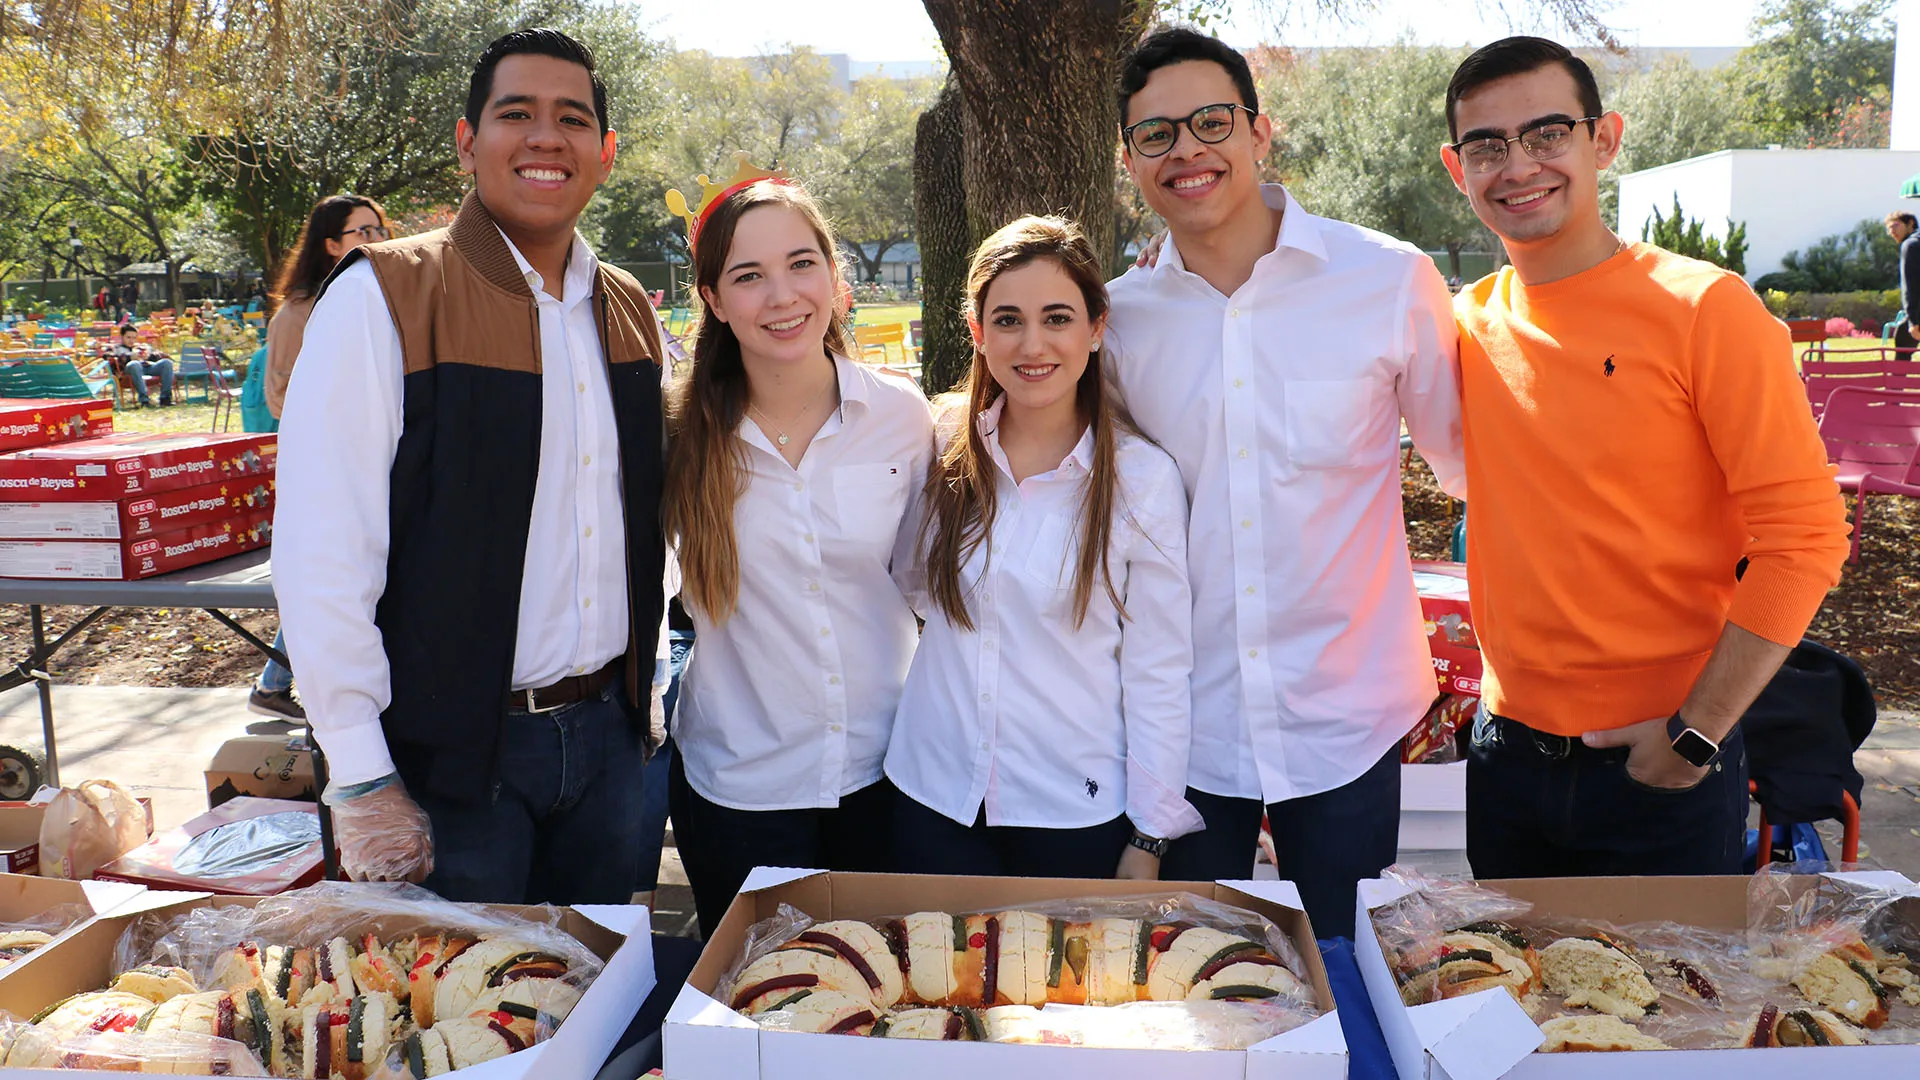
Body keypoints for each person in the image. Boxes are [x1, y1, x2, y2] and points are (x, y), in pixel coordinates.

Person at [274, 28, 669, 904]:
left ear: (603, 153)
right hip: (449, 762)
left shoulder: (629, 311)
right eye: (515, 113)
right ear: (467, 141)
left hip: (612, 749)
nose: (544, 136)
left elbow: (648, 522)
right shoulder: (384, 296)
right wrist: (362, 773)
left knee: (605, 1012)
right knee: (468, 1028)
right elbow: (321, 549)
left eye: (572, 118)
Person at [1440, 37, 1850, 878]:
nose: (1517, 165)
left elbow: (1805, 542)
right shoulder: (1462, 321)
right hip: (1504, 758)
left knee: (1670, 1012)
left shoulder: (1706, 309)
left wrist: (1693, 735)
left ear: (1606, 139)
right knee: (1502, 1007)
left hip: (1660, 764)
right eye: (1487, 144)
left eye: (1547, 133)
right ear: (1457, 168)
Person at [1105, 27, 1464, 939]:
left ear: (1260, 133)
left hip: (1346, 712)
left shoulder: (1388, 281)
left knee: (1347, 971)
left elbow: (1473, 472)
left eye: (1211, 121)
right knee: (1198, 994)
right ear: (1129, 159)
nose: (1187, 149)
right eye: (1157, 134)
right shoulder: (1118, 320)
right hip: (1185, 725)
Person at [885, 215, 1201, 880]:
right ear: (976, 331)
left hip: (1073, 816)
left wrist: (1149, 839)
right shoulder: (940, 451)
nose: (1032, 343)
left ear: (1096, 328)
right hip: (929, 801)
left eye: (1057, 317)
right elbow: (914, 583)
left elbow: (1159, 670)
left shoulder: (1141, 482)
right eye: (1007, 320)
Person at [661, 172, 932, 938]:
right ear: (713, 299)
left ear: (835, 274)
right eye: (748, 276)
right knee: (761, 1013)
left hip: (889, 778)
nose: (782, 296)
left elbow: (927, 586)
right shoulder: (676, 434)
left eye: (801, 264)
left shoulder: (901, 419)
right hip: (740, 791)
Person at [248, 193, 393, 724]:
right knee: (334, 579)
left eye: (380, 230)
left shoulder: (387, 294)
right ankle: (276, 682)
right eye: (363, 233)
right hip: (328, 475)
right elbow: (281, 396)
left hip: (383, 466)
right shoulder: (299, 311)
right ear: (331, 245)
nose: (378, 241)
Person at [109, 325, 175, 407]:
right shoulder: (116, 348)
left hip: (147, 367)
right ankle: (144, 400)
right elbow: (109, 360)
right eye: (128, 337)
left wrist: (149, 356)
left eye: (134, 338)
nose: (131, 340)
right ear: (122, 337)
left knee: (166, 363)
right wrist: (129, 357)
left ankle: (165, 398)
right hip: (129, 371)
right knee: (135, 364)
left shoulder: (141, 346)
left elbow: (158, 354)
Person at [1886, 211, 1919, 354]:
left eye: (1895, 226)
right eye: (1889, 229)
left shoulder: (1911, 245)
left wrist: (1913, 321)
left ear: (1910, 223)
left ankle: (1898, 376)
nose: (1891, 232)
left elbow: (1910, 286)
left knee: (1902, 353)